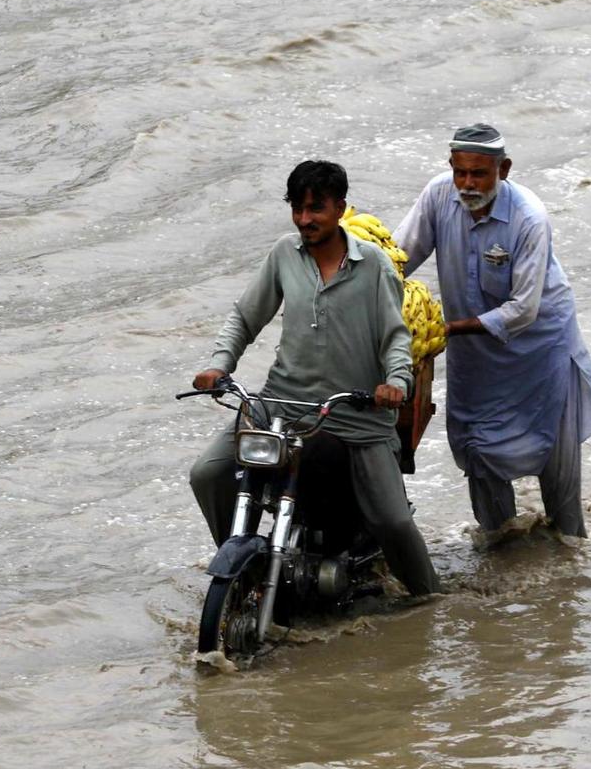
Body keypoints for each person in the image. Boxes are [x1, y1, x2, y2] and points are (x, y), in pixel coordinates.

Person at [187, 160, 440, 595]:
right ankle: (243, 568)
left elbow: (395, 338)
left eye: (316, 209)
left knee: (393, 521)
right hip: (280, 404)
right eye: (298, 209)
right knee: (207, 474)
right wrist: (219, 365)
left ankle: (432, 600)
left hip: (355, 414)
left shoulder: (372, 265)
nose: (305, 220)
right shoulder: (285, 254)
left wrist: (396, 383)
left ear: (340, 208)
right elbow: (245, 318)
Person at [394, 123, 591, 542]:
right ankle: (497, 543)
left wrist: (445, 329)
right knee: (477, 445)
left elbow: (524, 309)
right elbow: (398, 259)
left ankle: (569, 547)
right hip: (474, 352)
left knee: (555, 454)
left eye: (479, 174)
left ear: (503, 170)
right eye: (460, 173)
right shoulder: (438, 196)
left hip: (539, 346)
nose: (467, 184)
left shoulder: (529, 217)